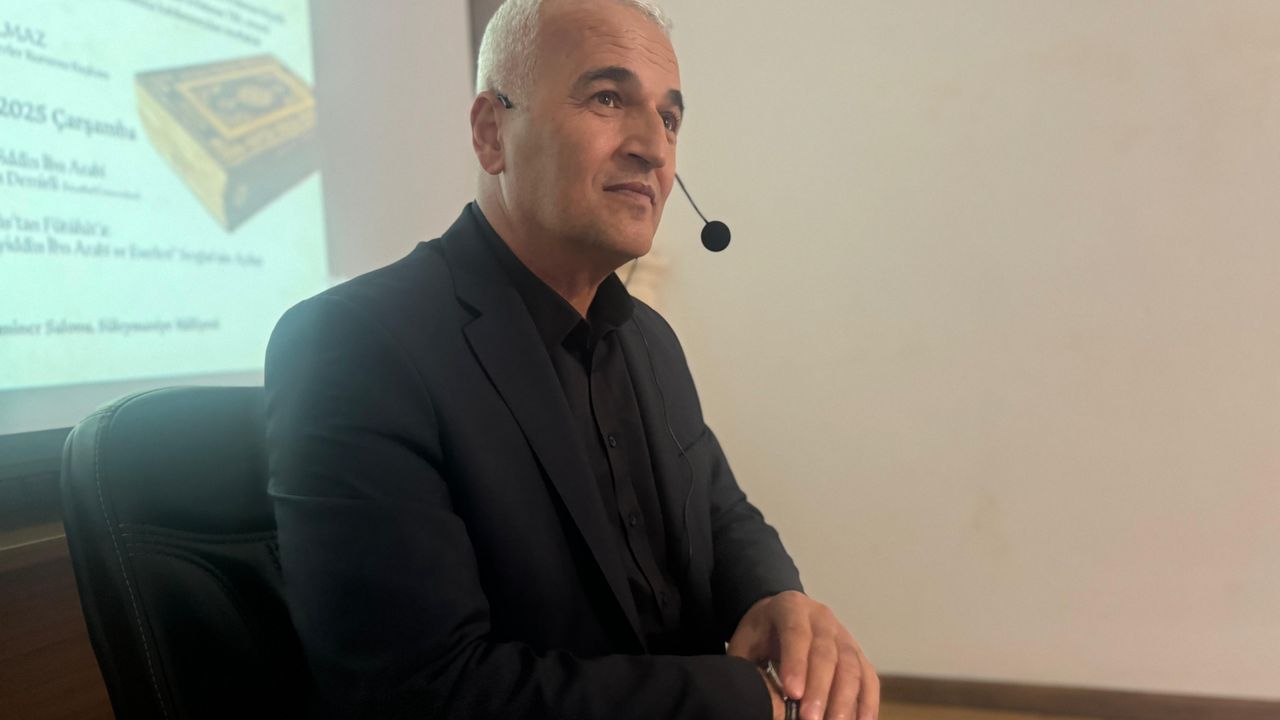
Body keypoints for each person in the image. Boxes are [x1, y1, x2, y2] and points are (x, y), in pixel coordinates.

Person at [263, 1, 879, 718]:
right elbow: (421, 692)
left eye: (670, 118)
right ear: (491, 133)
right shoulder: (357, 344)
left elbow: (721, 513)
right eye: (608, 98)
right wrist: (745, 701)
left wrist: (777, 600)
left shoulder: (649, 339)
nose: (654, 148)